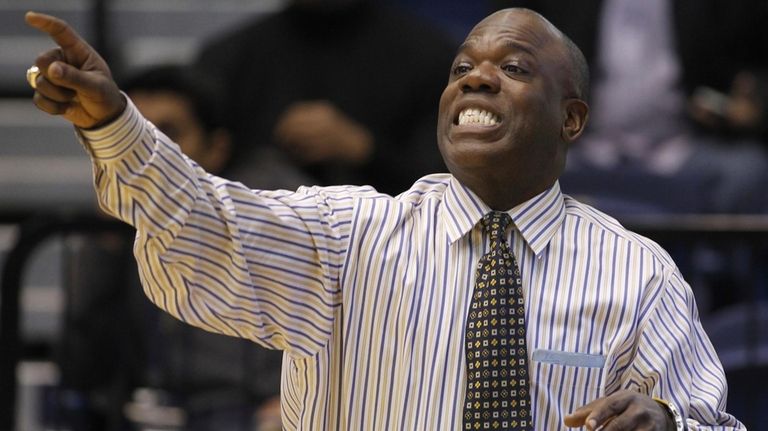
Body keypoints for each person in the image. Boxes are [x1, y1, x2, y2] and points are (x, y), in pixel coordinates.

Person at [26, 7, 744, 430]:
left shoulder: (637, 270)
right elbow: (208, 222)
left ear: (573, 118)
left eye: (515, 68)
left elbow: (715, 423)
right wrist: (118, 124)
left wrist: (667, 423)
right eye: (463, 65)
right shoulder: (349, 233)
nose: (476, 77)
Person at [55, 65, 282, 431]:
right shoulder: (118, 226)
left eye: (168, 135)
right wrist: (107, 246)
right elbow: (82, 371)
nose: (148, 155)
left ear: (217, 147)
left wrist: (294, 404)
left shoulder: (276, 217)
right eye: (138, 136)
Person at [492, 0, 768, 214]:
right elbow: (504, 49)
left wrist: (746, 107)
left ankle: (717, 283)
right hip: (579, 148)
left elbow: (751, 66)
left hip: (684, 149)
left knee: (749, 173)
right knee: (504, 164)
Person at [194, 0, 454, 194]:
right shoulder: (226, 59)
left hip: (395, 248)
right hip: (250, 245)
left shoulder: (429, 56)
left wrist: (366, 150)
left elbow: (451, 182)